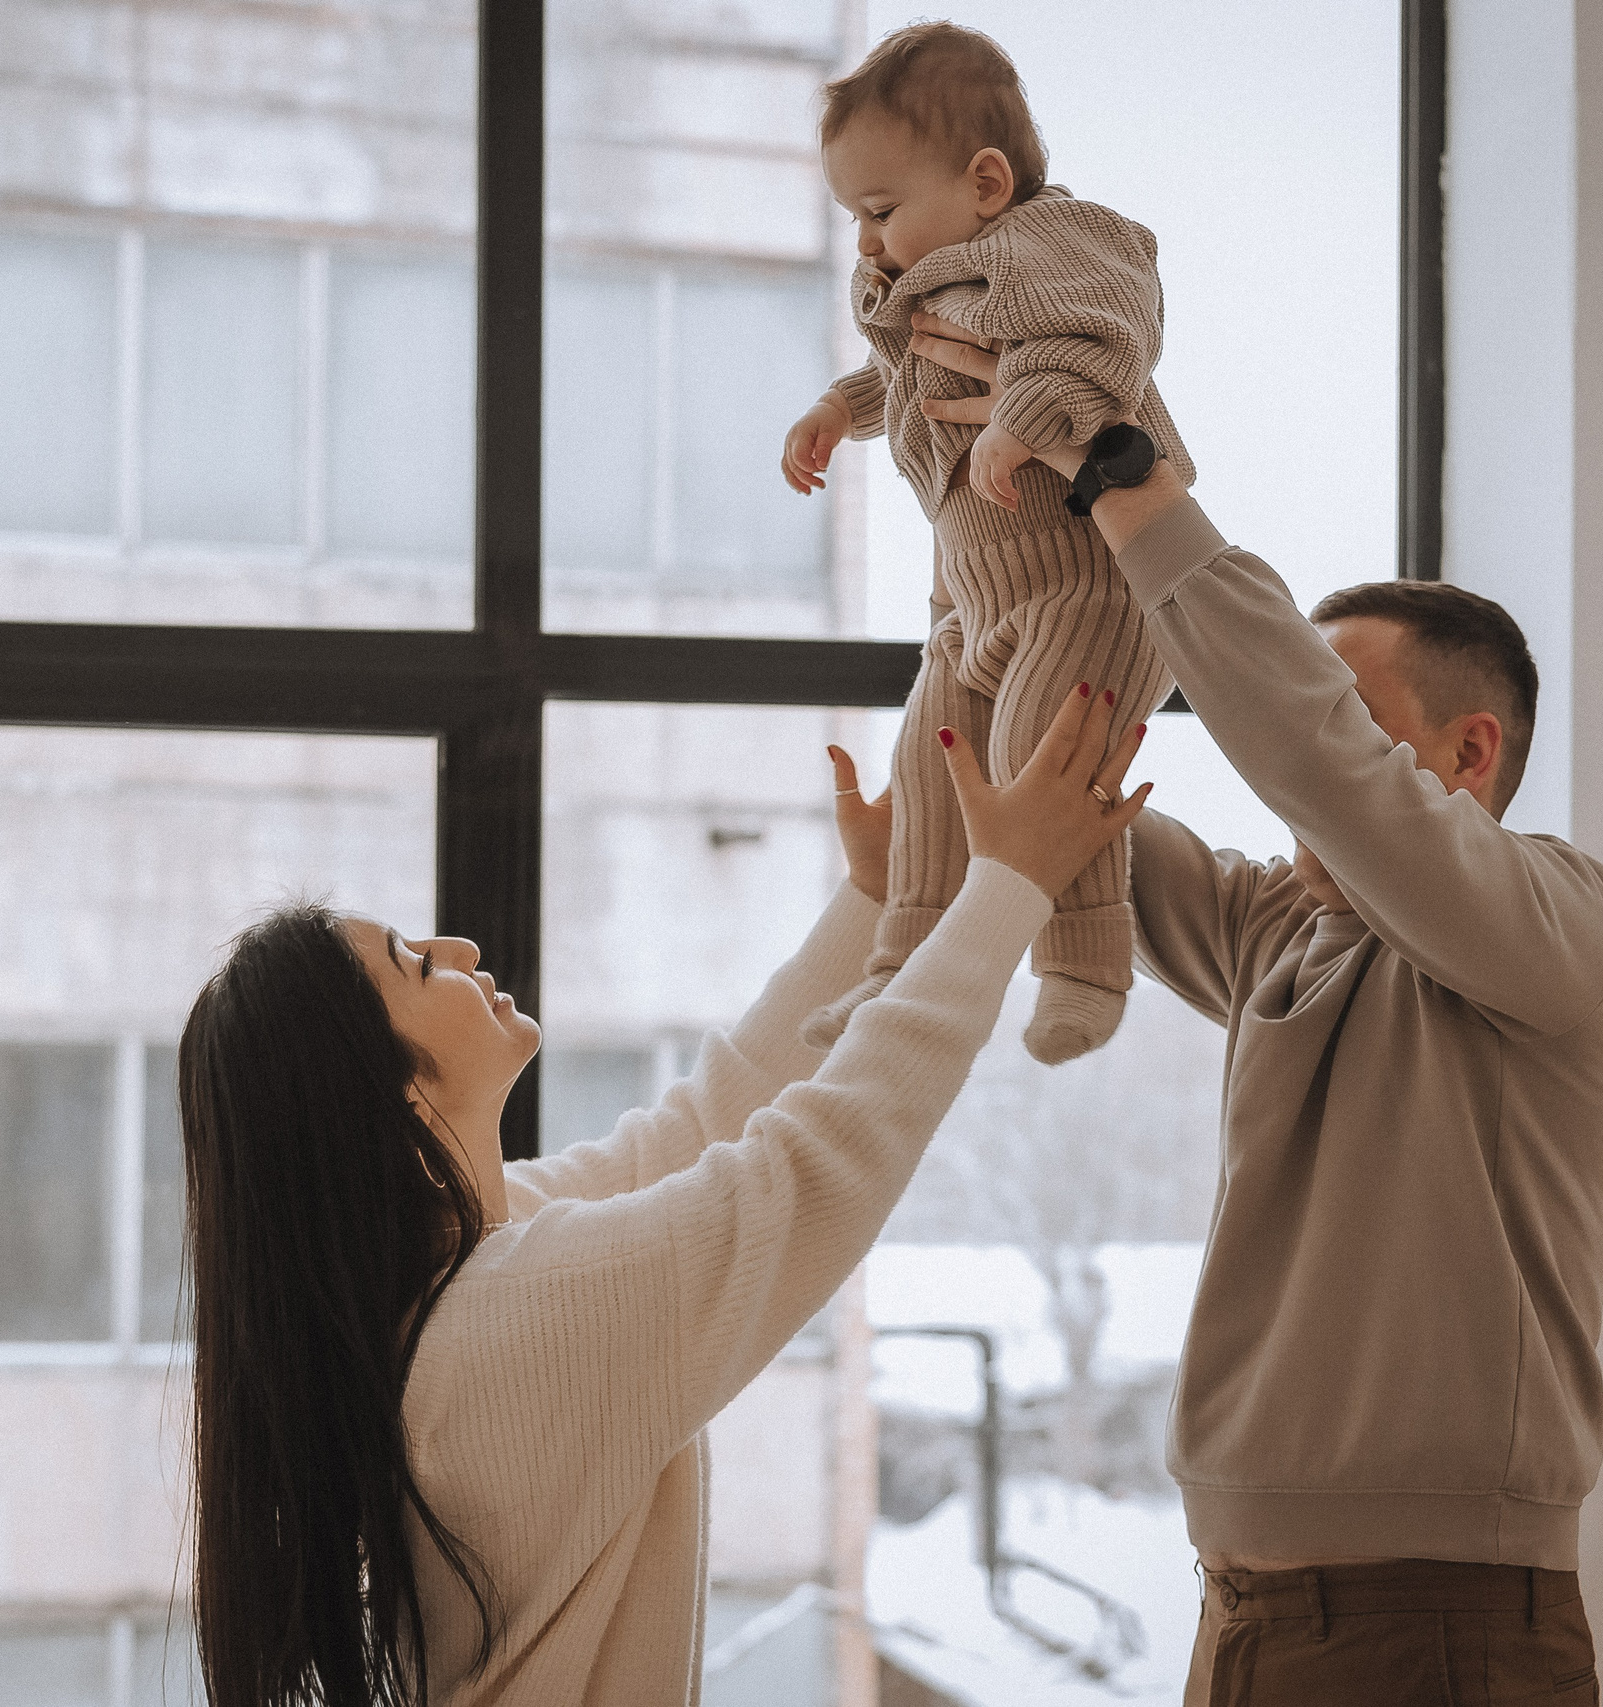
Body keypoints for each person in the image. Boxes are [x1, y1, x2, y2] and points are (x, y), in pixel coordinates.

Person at [891, 318, 1603, 1705]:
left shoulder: (1570, 927)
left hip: (1437, 1621)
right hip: (1244, 1609)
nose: (1290, 779)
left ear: (1469, 753)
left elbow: (1312, 752)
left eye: (1353, 722)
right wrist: (987, 546)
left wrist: (1131, 479)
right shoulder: (1286, 936)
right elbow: (1064, 803)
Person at [175, 687, 1151, 1706]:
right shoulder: (511, 1316)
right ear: (394, 1090)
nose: (460, 951)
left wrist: (873, 904)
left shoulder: (460, 1264)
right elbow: (813, 1163)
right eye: (418, 966)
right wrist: (1008, 887)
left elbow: (701, 1130)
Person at [779, 21, 1194, 1066]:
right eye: (853, 221)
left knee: (1037, 766)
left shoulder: (1049, 246)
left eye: (878, 212)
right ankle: (896, 975)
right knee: (928, 772)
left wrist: (1028, 412)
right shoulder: (940, 281)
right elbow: (919, 374)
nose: (866, 243)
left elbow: (1108, 331)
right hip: (971, 607)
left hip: (1081, 594)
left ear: (986, 181)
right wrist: (840, 406)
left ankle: (1085, 964)